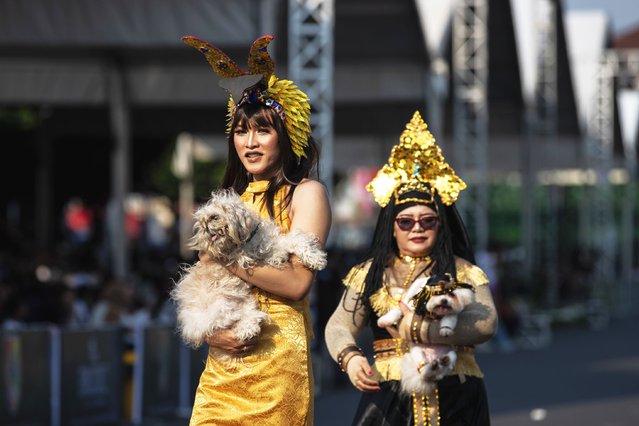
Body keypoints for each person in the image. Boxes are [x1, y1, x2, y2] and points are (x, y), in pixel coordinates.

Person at [182, 34, 331, 425]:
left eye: (262, 131)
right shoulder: (227, 202)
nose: (249, 143)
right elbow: (202, 280)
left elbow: (298, 283)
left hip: (277, 361)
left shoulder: (307, 193)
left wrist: (224, 257)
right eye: (241, 131)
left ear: (286, 137)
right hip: (223, 364)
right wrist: (211, 334)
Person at [324, 112, 497, 425]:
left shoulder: (464, 271)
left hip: (455, 395)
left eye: (427, 220)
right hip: (388, 398)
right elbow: (339, 325)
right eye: (406, 221)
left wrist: (418, 329)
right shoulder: (369, 273)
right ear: (392, 227)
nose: (417, 228)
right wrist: (349, 358)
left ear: (440, 226)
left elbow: (486, 323)